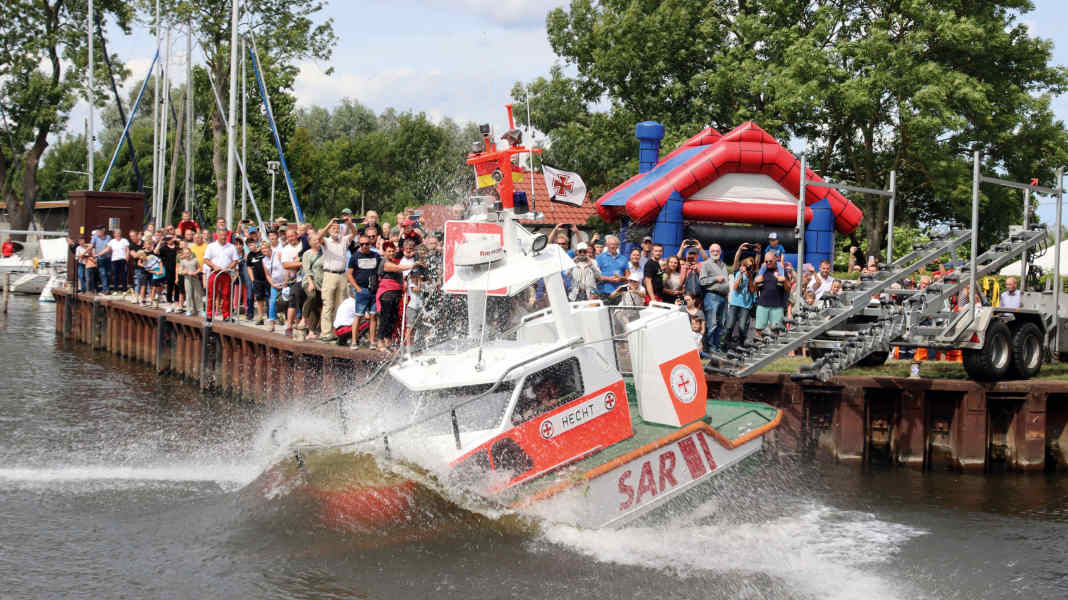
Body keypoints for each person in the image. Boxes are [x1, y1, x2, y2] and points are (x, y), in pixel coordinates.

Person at [318, 217, 355, 341]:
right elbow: (318, 237)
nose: (335, 230)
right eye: (333, 228)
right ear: (329, 230)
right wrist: (329, 223)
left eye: (337, 228)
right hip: (329, 274)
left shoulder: (343, 240)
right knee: (328, 304)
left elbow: (354, 233)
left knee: (341, 305)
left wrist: (349, 224)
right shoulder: (326, 241)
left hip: (342, 275)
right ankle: (325, 332)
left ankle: (337, 332)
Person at [347, 235, 381, 348]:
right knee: (358, 315)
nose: (365, 246)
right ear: (359, 245)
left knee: (373, 316)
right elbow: (349, 274)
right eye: (362, 244)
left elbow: (381, 271)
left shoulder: (376, 256)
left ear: (370, 244)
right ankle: (354, 341)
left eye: (367, 244)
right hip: (362, 290)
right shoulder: (355, 257)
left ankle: (372, 341)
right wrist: (357, 288)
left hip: (374, 290)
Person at [203, 224, 239, 322]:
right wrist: (214, 266)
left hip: (226, 273)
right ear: (217, 235)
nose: (223, 237)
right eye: (221, 235)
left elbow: (235, 260)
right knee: (211, 294)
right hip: (214, 272)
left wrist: (229, 267)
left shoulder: (231, 247)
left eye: (225, 235)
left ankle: (226, 315)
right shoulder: (211, 246)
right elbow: (206, 260)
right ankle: (209, 314)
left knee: (226, 294)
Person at [375, 242, 407, 352]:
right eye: (389, 251)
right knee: (385, 318)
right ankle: (380, 341)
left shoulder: (395, 262)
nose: (392, 253)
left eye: (393, 251)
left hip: (396, 294)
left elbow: (400, 276)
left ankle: (388, 341)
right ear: (384, 252)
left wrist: (404, 282)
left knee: (393, 319)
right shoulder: (385, 263)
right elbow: (398, 269)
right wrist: (412, 265)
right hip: (386, 295)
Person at [699, 243, 729, 351]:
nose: (715, 253)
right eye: (713, 251)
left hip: (723, 297)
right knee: (712, 324)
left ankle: (717, 347)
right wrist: (715, 278)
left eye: (717, 251)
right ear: (709, 252)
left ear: (720, 252)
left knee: (721, 324)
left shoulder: (723, 264)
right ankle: (710, 348)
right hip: (712, 296)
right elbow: (702, 281)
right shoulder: (706, 264)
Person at [723, 254, 756, 350]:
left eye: (750, 266)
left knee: (742, 327)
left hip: (745, 305)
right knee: (729, 326)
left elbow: (753, 290)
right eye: (747, 266)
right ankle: (726, 345)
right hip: (735, 303)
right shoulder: (738, 273)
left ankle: (741, 345)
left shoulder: (752, 275)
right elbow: (735, 287)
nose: (748, 268)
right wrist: (741, 274)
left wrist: (750, 277)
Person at [754, 251, 790, 337]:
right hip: (762, 304)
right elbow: (753, 290)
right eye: (766, 261)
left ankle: (775, 345)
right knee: (759, 330)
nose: (768, 263)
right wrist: (755, 282)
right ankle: (758, 345)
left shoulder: (782, 270)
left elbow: (788, 288)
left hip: (777, 305)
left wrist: (784, 280)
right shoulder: (762, 271)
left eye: (770, 261)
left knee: (776, 331)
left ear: (776, 259)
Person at [300, 233, 324, 339]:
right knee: (311, 296)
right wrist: (310, 282)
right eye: (314, 240)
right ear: (310, 242)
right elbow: (306, 269)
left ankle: (311, 331)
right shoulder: (307, 254)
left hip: (321, 283)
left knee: (317, 307)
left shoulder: (323, 252)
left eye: (318, 240)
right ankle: (304, 318)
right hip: (309, 281)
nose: (317, 242)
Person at [246, 241, 269, 325]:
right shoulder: (249, 255)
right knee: (259, 299)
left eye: (252, 244)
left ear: (256, 244)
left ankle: (271, 317)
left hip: (267, 279)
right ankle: (260, 317)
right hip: (257, 280)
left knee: (269, 298)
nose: (251, 247)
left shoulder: (262, 252)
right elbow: (249, 267)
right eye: (249, 245)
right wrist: (253, 279)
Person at [178, 247, 203, 315]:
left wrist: (195, 272)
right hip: (187, 279)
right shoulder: (183, 261)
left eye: (188, 253)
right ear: (183, 254)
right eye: (185, 253)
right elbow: (180, 271)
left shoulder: (195, 260)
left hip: (195, 278)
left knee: (197, 294)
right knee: (188, 294)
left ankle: (199, 309)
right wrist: (185, 272)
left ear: (190, 253)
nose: (187, 254)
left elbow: (199, 268)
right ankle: (189, 309)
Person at [91, 226, 111, 293]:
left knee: (108, 274)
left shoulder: (108, 237)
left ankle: (106, 288)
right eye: (97, 231)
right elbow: (92, 247)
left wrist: (97, 254)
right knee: (103, 273)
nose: (97, 232)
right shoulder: (95, 237)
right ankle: (106, 289)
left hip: (108, 258)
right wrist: (94, 256)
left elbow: (108, 248)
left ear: (103, 230)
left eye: (99, 231)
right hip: (100, 259)